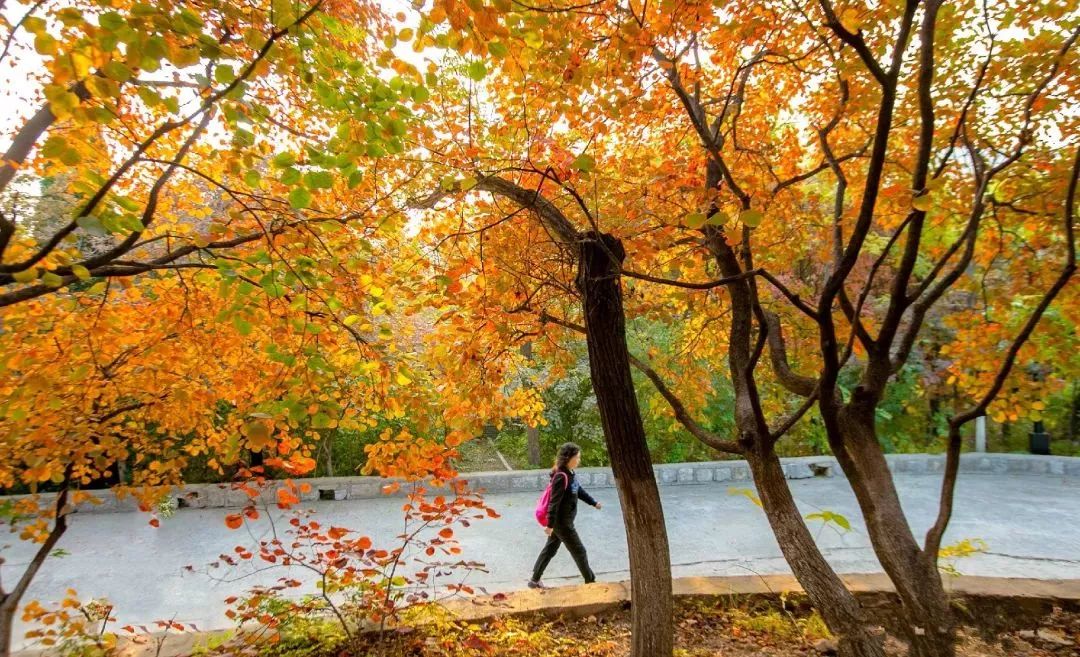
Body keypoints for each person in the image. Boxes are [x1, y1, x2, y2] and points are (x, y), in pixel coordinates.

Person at [529, 442, 601, 588]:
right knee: (579, 551)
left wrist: (593, 503)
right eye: (577, 457)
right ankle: (591, 582)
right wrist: (549, 525)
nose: (579, 460)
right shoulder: (561, 476)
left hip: (563, 522)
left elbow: (578, 490)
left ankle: (534, 581)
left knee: (549, 550)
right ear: (569, 458)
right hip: (562, 524)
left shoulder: (570, 473)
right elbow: (554, 503)